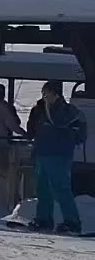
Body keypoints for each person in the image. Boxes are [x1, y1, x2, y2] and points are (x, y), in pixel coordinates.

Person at [26, 80, 85, 234]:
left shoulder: (68, 110)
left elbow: (60, 122)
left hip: (59, 153)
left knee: (61, 188)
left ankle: (72, 222)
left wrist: (50, 106)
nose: (44, 96)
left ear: (55, 93)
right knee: (42, 188)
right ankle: (44, 218)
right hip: (42, 152)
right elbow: (31, 130)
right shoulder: (39, 110)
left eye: (47, 92)